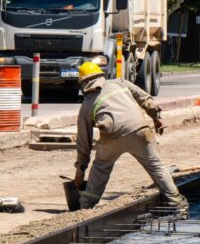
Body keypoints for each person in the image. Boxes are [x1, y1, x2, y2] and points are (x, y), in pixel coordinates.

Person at [73, 62, 189, 214]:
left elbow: (84, 144)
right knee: (156, 166)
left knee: (100, 168)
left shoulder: (86, 106)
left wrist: (80, 173)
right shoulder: (119, 83)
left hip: (111, 137)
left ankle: (86, 207)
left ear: (83, 84)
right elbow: (144, 98)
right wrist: (156, 117)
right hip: (140, 131)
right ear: (102, 76)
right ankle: (177, 203)